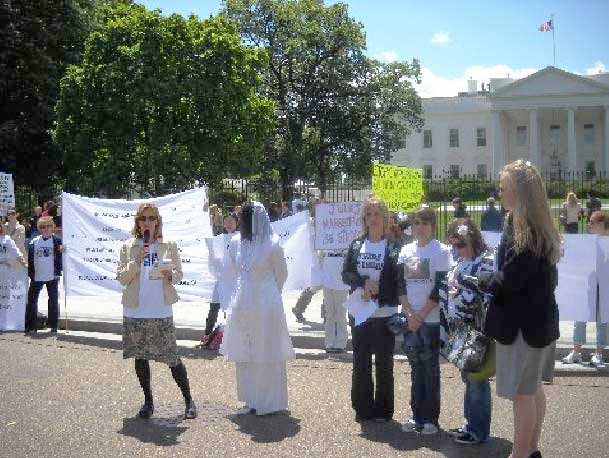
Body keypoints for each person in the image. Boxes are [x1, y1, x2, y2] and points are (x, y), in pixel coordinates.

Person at [482, 159, 561, 458]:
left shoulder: (526, 230)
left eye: (504, 188)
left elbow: (510, 279)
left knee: (522, 394)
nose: (500, 193)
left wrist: (482, 279)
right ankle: (530, 450)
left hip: (524, 326)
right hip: (536, 324)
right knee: (532, 390)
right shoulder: (529, 224)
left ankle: (520, 453)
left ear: (520, 192)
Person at [116, 203, 197, 420]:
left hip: (161, 310)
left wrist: (172, 276)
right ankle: (148, 402)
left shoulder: (168, 245)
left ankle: (189, 400)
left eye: (152, 218)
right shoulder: (128, 246)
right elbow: (122, 278)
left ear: (158, 221)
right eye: (144, 218)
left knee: (172, 358)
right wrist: (136, 261)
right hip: (136, 311)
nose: (148, 222)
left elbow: (179, 273)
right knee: (140, 358)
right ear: (138, 222)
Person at [220, 201, 294, 415]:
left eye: (243, 218)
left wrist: (268, 292)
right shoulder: (236, 243)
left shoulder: (273, 243)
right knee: (246, 350)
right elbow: (232, 272)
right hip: (244, 303)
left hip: (266, 304)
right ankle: (250, 398)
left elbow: (282, 274)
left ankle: (269, 401)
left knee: (266, 351)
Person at [342, 197, 404, 423]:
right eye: (369, 214)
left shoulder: (395, 247)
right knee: (361, 362)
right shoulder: (356, 244)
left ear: (385, 218)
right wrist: (363, 282)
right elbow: (346, 273)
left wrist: (378, 290)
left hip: (384, 313)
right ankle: (363, 408)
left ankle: (384, 411)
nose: (373, 218)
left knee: (384, 364)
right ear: (364, 219)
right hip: (360, 312)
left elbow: (399, 280)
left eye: (377, 214)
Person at [398, 207, 453, 434]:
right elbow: (400, 285)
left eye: (425, 223)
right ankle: (416, 415)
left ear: (433, 226)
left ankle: (430, 418)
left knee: (430, 369)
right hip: (410, 319)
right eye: (417, 222)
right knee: (415, 368)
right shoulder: (406, 250)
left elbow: (440, 286)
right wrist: (409, 313)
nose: (420, 227)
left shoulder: (441, 251)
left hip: (430, 320)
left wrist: (420, 315)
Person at [444, 218, 494, 445]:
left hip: (476, 330)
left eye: (461, 244)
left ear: (473, 239)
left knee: (477, 380)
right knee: (468, 378)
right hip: (460, 329)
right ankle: (470, 423)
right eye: (454, 244)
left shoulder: (486, 260)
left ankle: (478, 431)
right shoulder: (460, 260)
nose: (457, 249)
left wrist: (457, 293)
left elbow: (485, 295)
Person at [562, 210, 609, 365]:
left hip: (604, 286)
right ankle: (576, 351)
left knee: (603, 320)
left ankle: (599, 353)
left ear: (602, 224)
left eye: (592, 222)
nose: (589, 224)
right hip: (588, 285)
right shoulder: (587, 241)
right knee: (580, 317)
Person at [201, 212, 239, 346]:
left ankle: (233, 335)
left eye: (231, 221)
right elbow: (213, 260)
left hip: (235, 281)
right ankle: (207, 334)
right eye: (226, 221)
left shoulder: (240, 239)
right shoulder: (219, 239)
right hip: (222, 280)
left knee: (234, 308)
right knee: (214, 306)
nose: (228, 224)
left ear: (237, 223)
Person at [25, 216, 63, 333]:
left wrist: (64, 250)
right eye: (42, 226)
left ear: (52, 227)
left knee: (53, 300)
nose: (45, 229)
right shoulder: (34, 241)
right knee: (31, 300)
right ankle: (31, 325)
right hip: (37, 276)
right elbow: (29, 258)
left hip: (52, 275)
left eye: (48, 226)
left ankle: (53, 324)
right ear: (39, 228)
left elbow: (65, 254)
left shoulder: (57, 241)